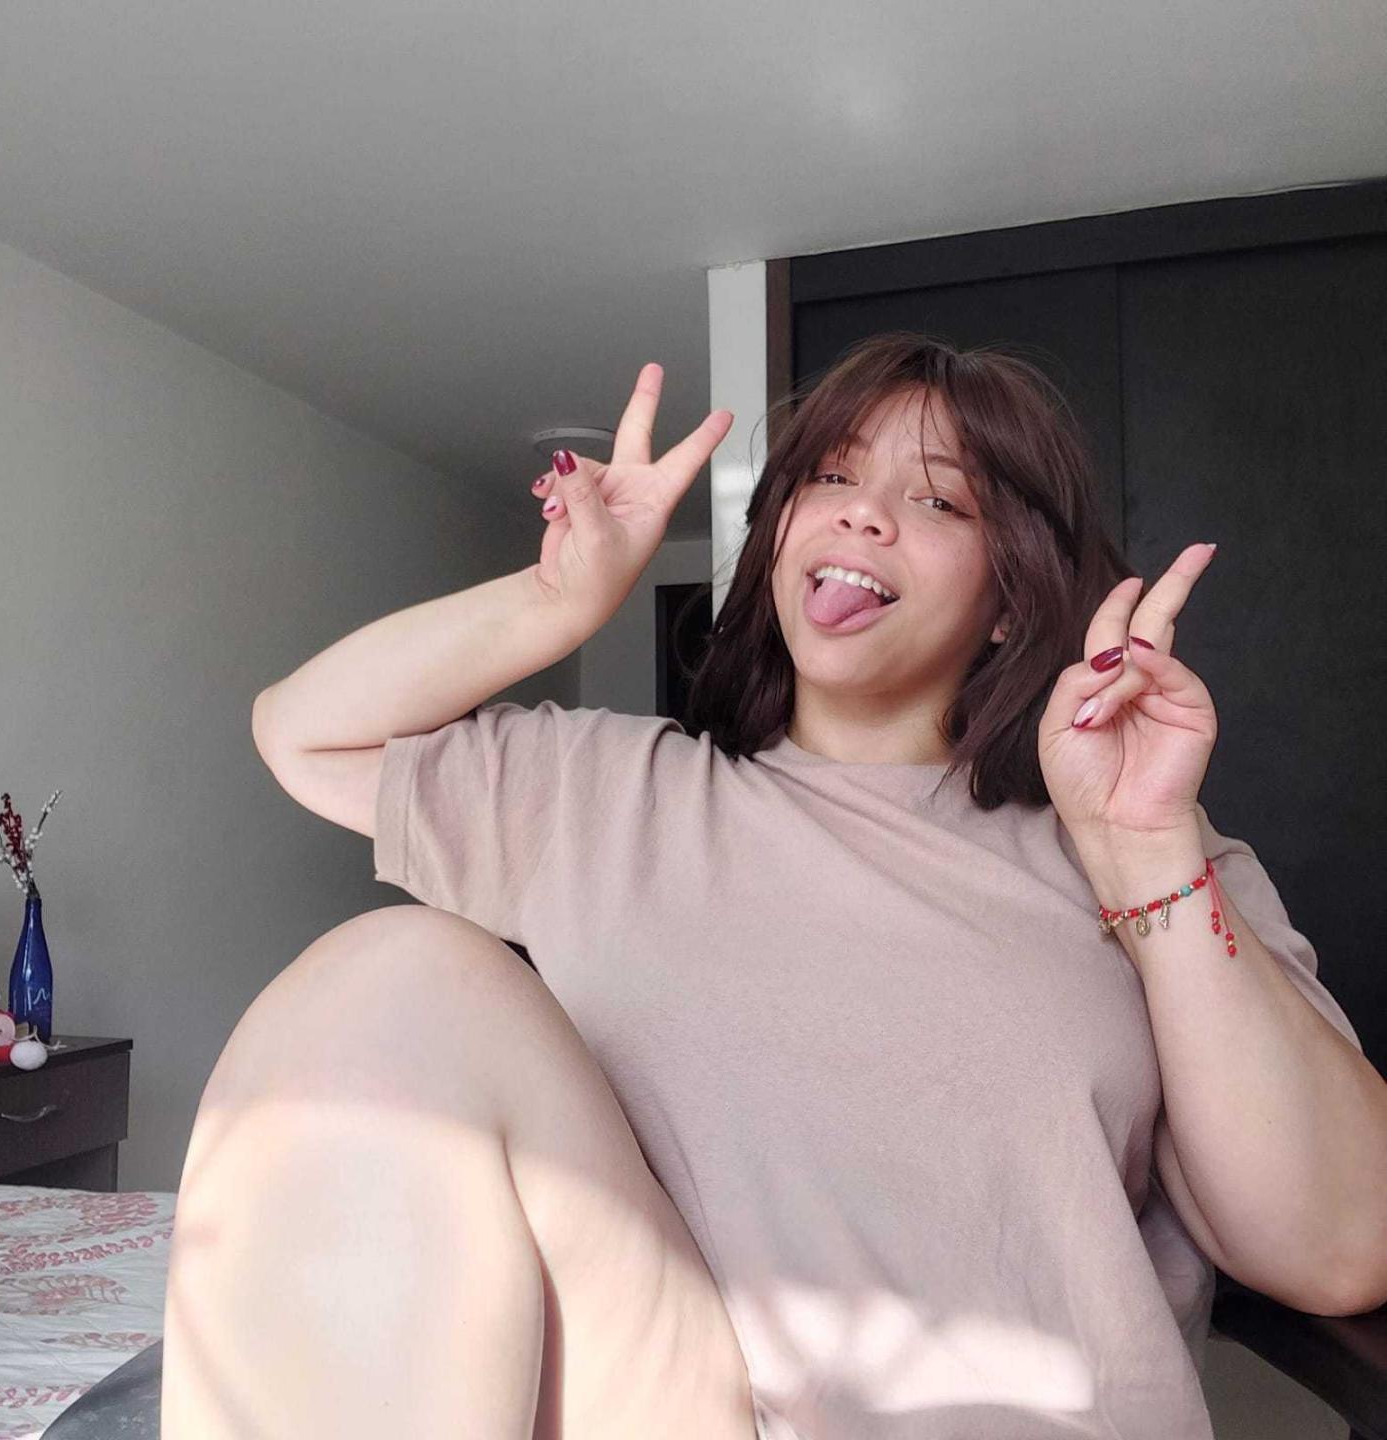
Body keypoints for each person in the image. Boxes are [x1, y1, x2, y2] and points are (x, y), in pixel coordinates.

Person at [162, 335, 1379, 1440]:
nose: (863, 515)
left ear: (1010, 601)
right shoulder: (613, 794)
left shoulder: (1140, 843)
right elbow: (302, 734)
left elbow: (1341, 1246)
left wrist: (1149, 862)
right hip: (675, 1405)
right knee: (389, 971)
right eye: (830, 478)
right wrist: (555, 602)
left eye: (938, 499)